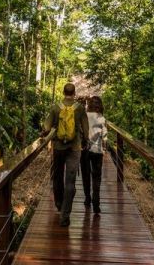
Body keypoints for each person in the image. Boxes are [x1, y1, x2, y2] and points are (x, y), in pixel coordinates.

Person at [43, 82, 89, 227]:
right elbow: (86, 130)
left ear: (63, 92)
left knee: (57, 176)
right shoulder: (80, 108)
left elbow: (46, 127)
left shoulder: (56, 107)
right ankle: (65, 216)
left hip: (58, 147)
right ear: (74, 93)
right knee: (70, 182)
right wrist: (85, 142)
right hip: (74, 148)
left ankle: (58, 203)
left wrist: (45, 133)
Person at [80, 96, 107, 213]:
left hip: (84, 150)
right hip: (97, 151)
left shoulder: (85, 116)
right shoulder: (102, 118)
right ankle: (96, 203)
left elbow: (80, 132)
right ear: (100, 105)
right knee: (97, 177)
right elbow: (104, 137)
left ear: (89, 105)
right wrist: (104, 149)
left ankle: (87, 198)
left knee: (86, 175)